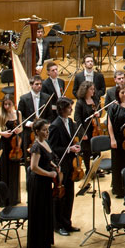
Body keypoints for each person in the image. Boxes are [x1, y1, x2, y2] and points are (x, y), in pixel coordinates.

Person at [49, 98, 81, 235]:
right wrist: (69, 149)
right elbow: (53, 147)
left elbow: (73, 139)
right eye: (69, 107)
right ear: (62, 109)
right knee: (60, 196)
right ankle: (58, 224)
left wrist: (77, 148)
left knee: (69, 195)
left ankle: (67, 222)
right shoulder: (55, 126)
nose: (71, 110)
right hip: (61, 165)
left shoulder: (71, 123)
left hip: (71, 164)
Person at [27, 122, 57, 248]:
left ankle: (45, 241)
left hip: (45, 183)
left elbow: (47, 159)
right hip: (38, 183)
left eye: (47, 130)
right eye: (44, 130)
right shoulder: (36, 147)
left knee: (46, 210)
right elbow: (34, 167)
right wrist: (49, 173)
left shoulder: (45, 142)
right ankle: (38, 244)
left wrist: (54, 165)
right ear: (37, 131)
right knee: (39, 212)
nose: (47, 132)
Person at [0, 97, 23, 205]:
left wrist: (19, 129)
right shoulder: (0, 116)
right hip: (5, 145)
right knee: (4, 170)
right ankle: (4, 200)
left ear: (13, 103)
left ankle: (14, 198)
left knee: (14, 170)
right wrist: (2, 134)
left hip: (15, 145)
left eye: (9, 104)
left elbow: (21, 127)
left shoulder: (18, 113)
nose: (7, 107)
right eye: (5, 104)